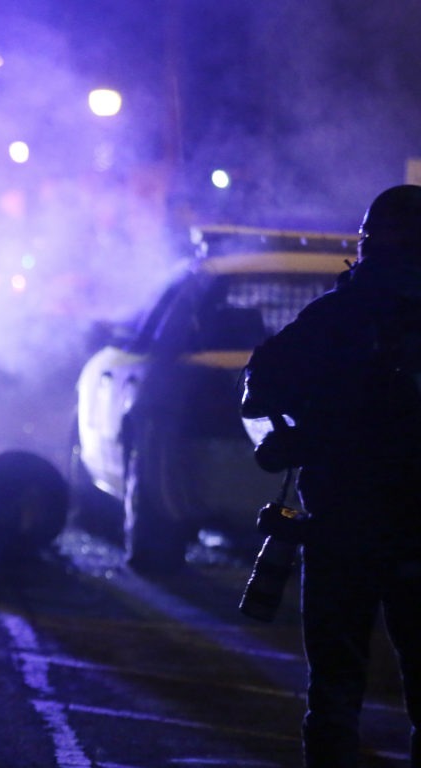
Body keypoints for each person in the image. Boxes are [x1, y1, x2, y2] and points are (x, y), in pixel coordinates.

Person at [241, 185, 421, 767]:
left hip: (341, 529)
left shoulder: (337, 315)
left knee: (335, 695)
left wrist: (295, 434)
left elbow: (259, 388)